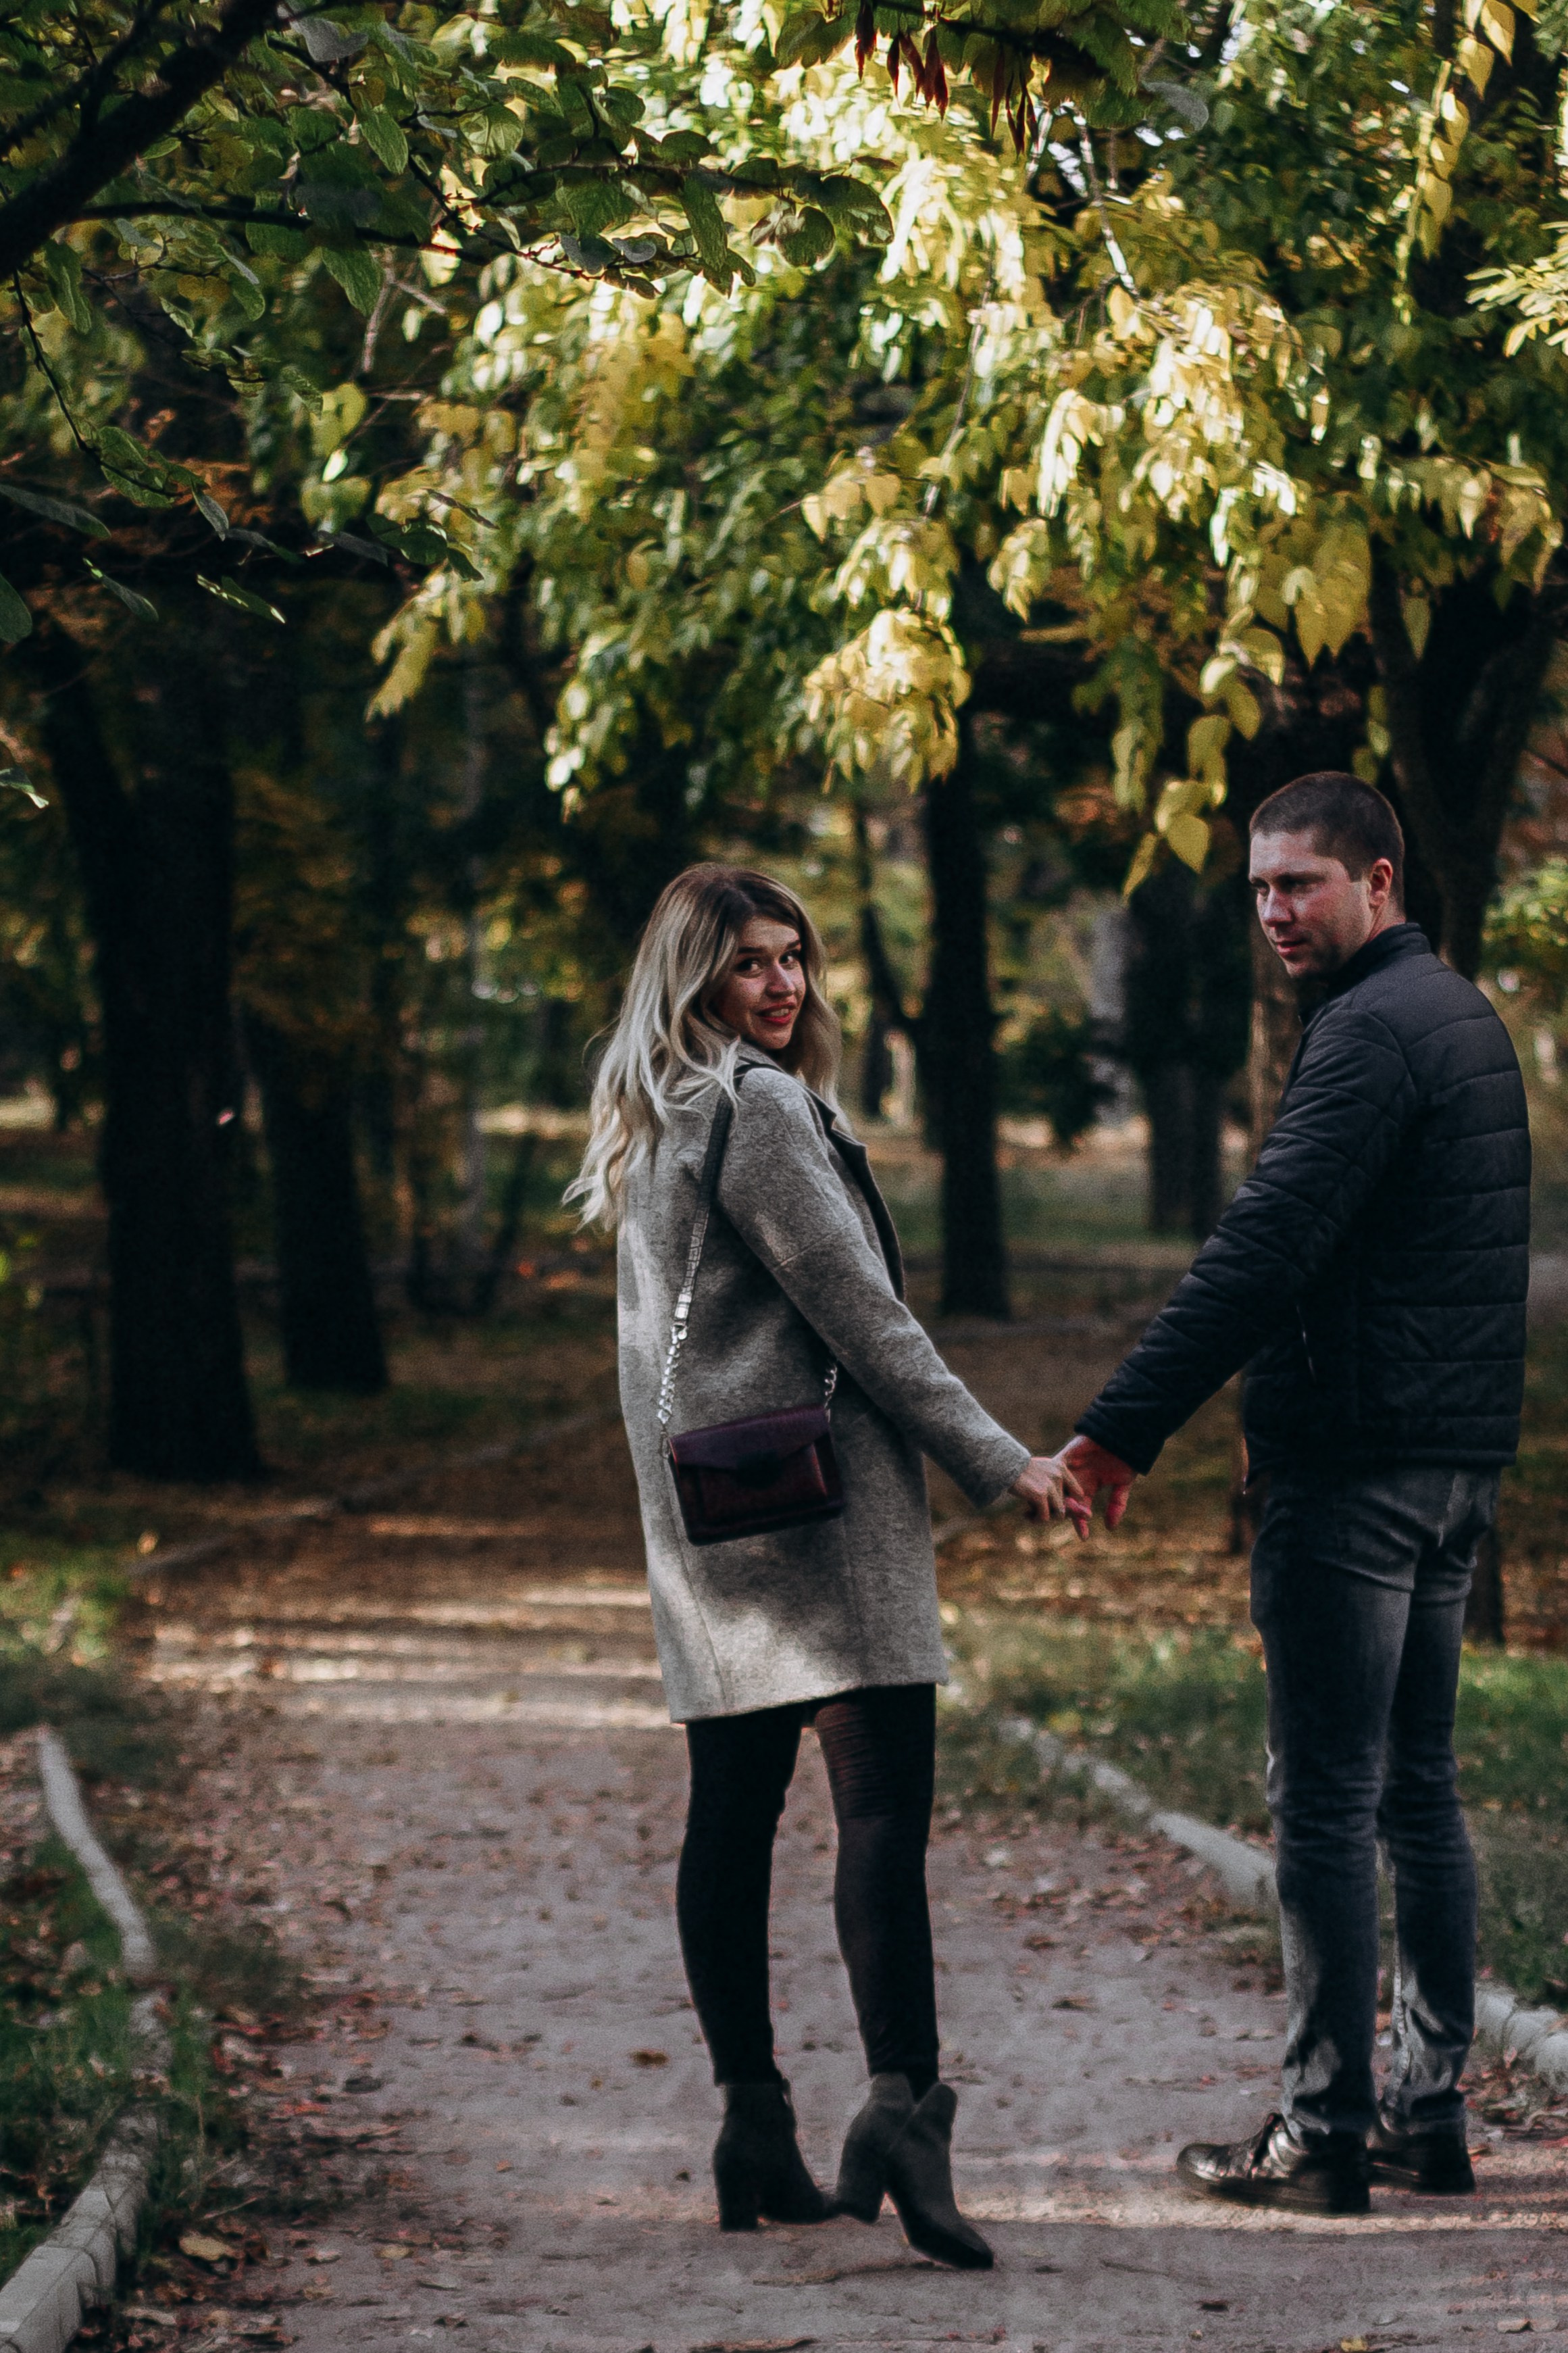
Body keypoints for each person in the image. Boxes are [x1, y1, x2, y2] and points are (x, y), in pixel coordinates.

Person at [569, 863, 1084, 2266]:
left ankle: (752, 2120)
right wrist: (998, 1457)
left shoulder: (658, 1112)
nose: (782, 984)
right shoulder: (757, 1106)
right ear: (696, 979)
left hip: (715, 1526)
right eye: (749, 962)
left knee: (731, 1821)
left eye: (794, 957)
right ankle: (902, 2109)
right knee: (880, 1812)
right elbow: (863, 1313)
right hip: (822, 1511)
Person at [1063, 772, 1529, 2218]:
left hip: (1354, 1473)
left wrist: (1119, 1430)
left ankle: (1323, 2128)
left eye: (1300, 882)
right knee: (1416, 1788)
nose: (1273, 908)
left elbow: (1262, 1250)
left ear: (1378, 879)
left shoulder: (1370, 1031)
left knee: (1325, 1799)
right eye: (1259, 885)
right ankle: (1425, 2115)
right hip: (1450, 1466)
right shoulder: (1457, 1014)